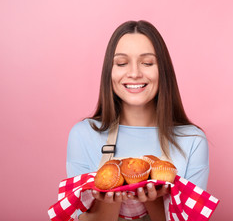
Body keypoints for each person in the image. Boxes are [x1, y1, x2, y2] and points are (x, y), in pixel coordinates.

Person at [66, 20, 209, 221]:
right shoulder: (83, 135)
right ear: (110, 71)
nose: (134, 73)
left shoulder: (192, 140)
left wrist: (153, 199)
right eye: (122, 63)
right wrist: (111, 200)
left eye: (147, 63)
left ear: (163, 71)